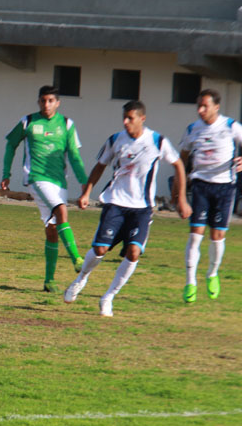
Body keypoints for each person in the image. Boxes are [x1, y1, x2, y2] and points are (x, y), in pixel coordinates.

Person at [64, 100, 191, 317]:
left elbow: (178, 164)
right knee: (101, 250)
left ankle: (108, 297)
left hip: (142, 208)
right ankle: (81, 279)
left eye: (130, 118)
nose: (125, 122)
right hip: (115, 203)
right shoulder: (115, 140)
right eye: (124, 117)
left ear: (142, 119)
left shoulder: (157, 141)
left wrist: (180, 198)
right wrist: (86, 192)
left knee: (134, 252)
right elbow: (100, 166)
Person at [1, 85, 87, 293]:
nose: (46, 104)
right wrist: (6, 173)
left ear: (57, 103)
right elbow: (11, 144)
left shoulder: (66, 124)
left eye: (50, 101)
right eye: (43, 101)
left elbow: (74, 155)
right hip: (36, 178)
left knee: (52, 230)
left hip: (59, 182)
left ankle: (49, 280)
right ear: (39, 102)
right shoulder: (28, 121)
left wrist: (85, 182)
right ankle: (77, 259)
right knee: (62, 210)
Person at [178, 89, 242, 303]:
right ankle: (190, 282)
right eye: (198, 105)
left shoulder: (230, 126)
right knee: (195, 234)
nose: (200, 110)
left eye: (205, 106)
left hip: (225, 187)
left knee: (217, 237)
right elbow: (182, 157)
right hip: (200, 186)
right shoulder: (192, 129)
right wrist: (178, 189)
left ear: (216, 107)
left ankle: (212, 274)